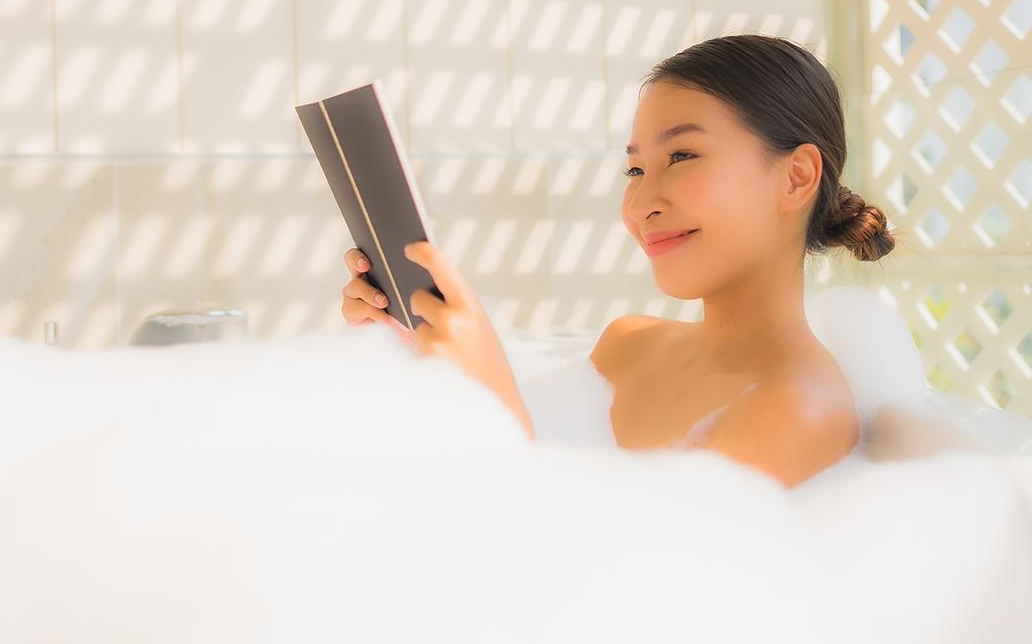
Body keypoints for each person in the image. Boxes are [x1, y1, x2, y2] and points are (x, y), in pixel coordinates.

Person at [339, 34, 898, 488]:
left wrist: (491, 402)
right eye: (635, 169)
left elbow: (619, 595)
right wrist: (419, 353)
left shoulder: (799, 411)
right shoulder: (625, 347)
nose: (640, 204)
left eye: (682, 156)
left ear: (796, 176)